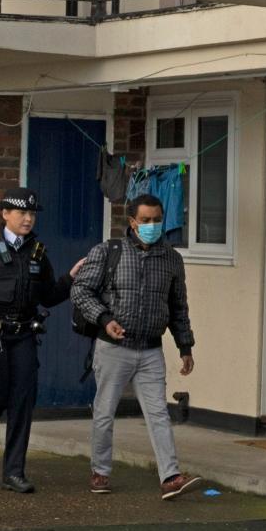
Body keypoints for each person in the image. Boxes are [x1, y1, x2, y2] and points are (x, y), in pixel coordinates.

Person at [0, 187, 85, 493]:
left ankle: (13, 472)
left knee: (22, 401)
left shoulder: (37, 253)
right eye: (22, 213)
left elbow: (49, 296)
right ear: (5, 214)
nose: (28, 219)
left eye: (32, 214)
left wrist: (70, 279)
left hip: (23, 333)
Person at [70, 194, 200, 500]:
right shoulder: (107, 252)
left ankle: (170, 476)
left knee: (158, 414)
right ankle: (100, 472)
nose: (152, 225)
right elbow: (81, 291)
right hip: (113, 346)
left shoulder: (171, 259)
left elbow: (178, 306)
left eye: (157, 219)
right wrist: (104, 320)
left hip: (151, 349)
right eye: (145, 220)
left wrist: (185, 345)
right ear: (132, 222)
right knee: (104, 412)